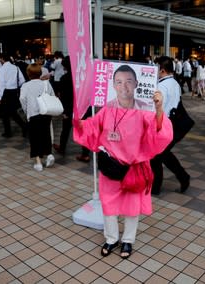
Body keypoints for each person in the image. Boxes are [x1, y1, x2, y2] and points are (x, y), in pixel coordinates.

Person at [73, 65, 173, 260]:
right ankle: (111, 239)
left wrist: (159, 108)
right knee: (108, 206)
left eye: (128, 81)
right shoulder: (107, 109)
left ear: (136, 83)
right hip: (111, 167)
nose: (124, 86)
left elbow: (159, 131)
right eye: (119, 82)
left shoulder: (145, 109)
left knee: (132, 208)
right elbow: (91, 127)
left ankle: (128, 240)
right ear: (113, 85)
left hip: (134, 168)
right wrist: (77, 117)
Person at [151, 56, 191, 195]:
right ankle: (183, 177)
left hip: (163, 125)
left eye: (156, 68)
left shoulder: (161, 86)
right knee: (163, 155)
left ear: (162, 70)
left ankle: (156, 187)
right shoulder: (174, 82)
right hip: (173, 125)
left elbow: (158, 108)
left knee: (156, 157)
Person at [19, 63, 56, 171]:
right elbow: (53, 96)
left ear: (28, 74)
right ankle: (49, 155)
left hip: (33, 114)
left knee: (34, 138)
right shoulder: (46, 84)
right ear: (40, 73)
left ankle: (38, 163)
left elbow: (22, 99)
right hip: (46, 113)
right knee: (46, 135)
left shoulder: (25, 86)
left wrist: (27, 111)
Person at [0, 53, 27, 138]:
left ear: (2, 59)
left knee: (5, 114)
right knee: (13, 112)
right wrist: (15, 85)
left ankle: (8, 132)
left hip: (6, 93)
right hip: (14, 92)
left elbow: (1, 83)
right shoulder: (16, 67)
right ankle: (24, 126)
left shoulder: (3, 68)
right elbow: (22, 80)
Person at [52, 56, 74, 156]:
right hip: (81, 108)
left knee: (65, 129)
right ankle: (85, 153)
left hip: (69, 108)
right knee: (83, 130)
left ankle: (62, 148)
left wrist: (65, 111)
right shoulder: (81, 77)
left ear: (65, 66)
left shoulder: (64, 78)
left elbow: (63, 97)